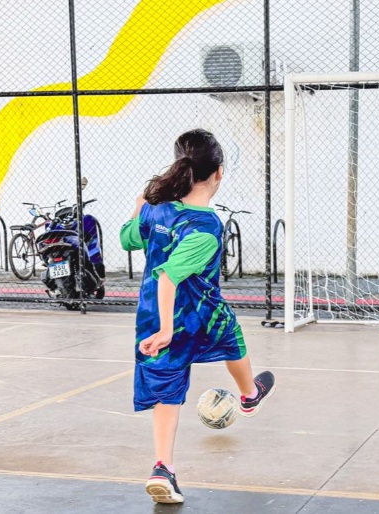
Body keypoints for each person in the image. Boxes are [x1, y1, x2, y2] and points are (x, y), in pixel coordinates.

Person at [120, 129, 276, 504]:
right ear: (218, 173)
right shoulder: (206, 227)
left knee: (167, 394)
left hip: (153, 317)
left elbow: (128, 239)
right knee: (232, 340)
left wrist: (140, 205)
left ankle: (163, 467)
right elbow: (169, 276)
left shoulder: (156, 209)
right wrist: (170, 329)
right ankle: (249, 394)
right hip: (199, 315)